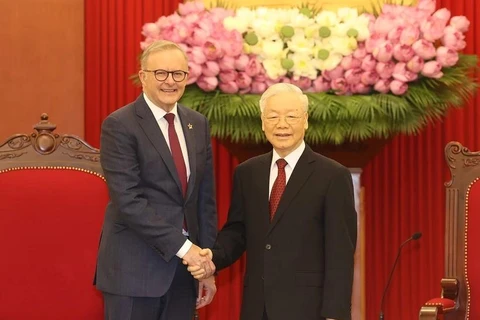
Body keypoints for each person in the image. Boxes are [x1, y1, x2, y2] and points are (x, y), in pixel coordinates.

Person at [190, 83, 357, 320]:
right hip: (258, 308)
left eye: (291, 116)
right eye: (273, 116)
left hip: (309, 309)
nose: (282, 124)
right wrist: (212, 258)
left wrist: (335, 314)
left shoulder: (332, 175)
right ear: (262, 121)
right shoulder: (247, 173)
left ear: (305, 120)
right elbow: (237, 232)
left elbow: (340, 251)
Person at [94, 40, 217, 320]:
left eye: (178, 74)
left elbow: (204, 200)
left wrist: (208, 266)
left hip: (185, 275)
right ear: (143, 77)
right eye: (161, 73)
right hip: (134, 273)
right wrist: (187, 250)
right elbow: (128, 200)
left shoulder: (197, 123)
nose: (170, 82)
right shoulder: (120, 125)